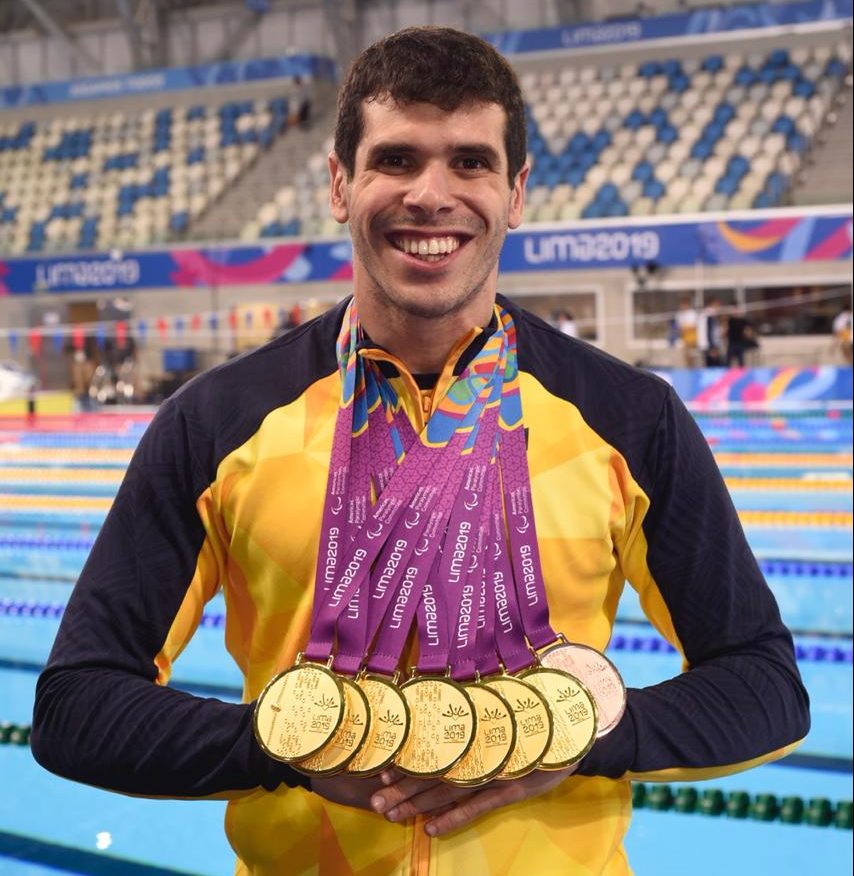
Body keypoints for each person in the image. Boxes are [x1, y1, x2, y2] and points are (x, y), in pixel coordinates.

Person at [31, 26, 809, 876]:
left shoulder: (629, 418)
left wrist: (579, 738)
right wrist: (285, 747)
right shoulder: (218, 423)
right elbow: (76, 705)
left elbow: (765, 684)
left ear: (516, 192)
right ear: (340, 184)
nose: (432, 196)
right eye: (396, 160)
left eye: (470, 162)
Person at [696, 296, 723, 367]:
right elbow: (709, 331)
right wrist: (712, 347)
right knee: (714, 366)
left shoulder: (704, 314)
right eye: (718, 305)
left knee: (709, 365)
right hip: (710, 346)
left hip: (705, 345)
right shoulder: (710, 314)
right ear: (713, 304)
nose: (719, 307)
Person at [674, 296, 699, 367]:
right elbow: (678, 327)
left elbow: (693, 326)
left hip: (693, 340)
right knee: (686, 359)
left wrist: (684, 328)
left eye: (684, 304)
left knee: (693, 358)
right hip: (684, 339)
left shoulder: (692, 313)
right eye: (681, 305)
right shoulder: (679, 314)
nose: (682, 306)